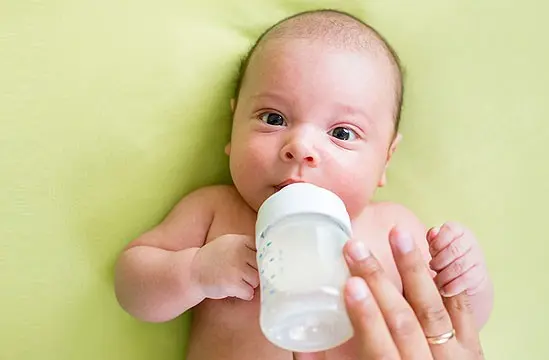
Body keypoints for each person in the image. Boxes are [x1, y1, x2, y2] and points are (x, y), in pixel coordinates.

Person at [114, 9, 494, 360]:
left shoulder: (394, 232)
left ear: (386, 159)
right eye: (274, 118)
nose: (300, 148)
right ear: (233, 127)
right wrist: (194, 272)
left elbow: (454, 323)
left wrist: (465, 277)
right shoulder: (215, 212)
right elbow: (132, 286)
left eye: (342, 132)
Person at [294, 228, 485, 360]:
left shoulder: (390, 224)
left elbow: (460, 325)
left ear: (383, 170)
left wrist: (461, 274)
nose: (304, 165)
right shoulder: (265, 254)